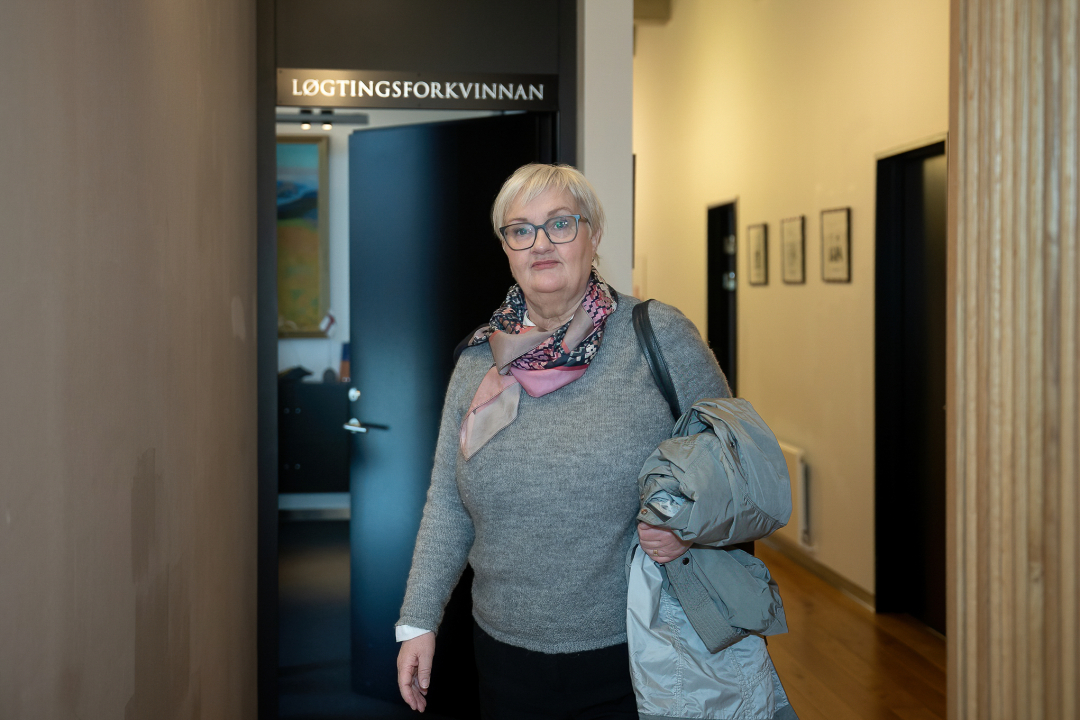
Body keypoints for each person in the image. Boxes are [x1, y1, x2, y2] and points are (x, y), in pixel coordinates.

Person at [395, 163, 730, 718]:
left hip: (644, 648)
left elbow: (731, 461)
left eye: (560, 223)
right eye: (520, 230)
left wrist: (690, 527)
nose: (540, 243)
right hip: (503, 657)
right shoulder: (478, 360)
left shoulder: (658, 336)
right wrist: (418, 620)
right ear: (507, 248)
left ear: (593, 235)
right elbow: (448, 503)